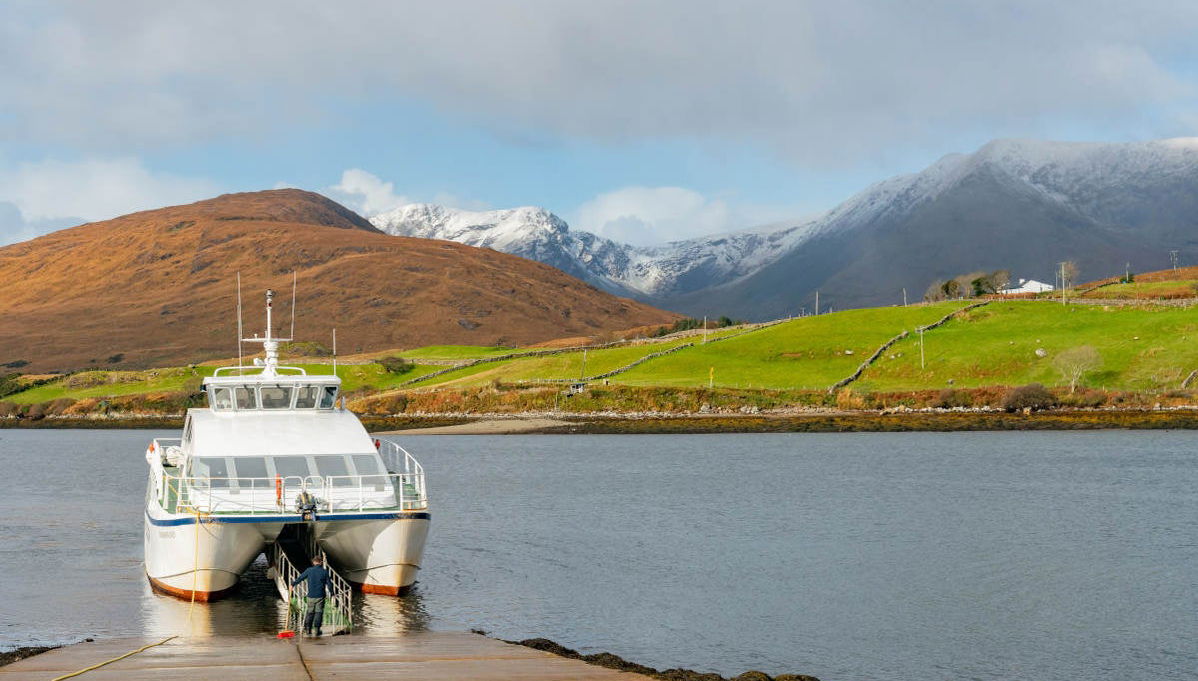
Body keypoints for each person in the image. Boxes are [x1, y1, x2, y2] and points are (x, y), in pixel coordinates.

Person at [291, 556, 332, 636]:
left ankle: (308, 629)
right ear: (321, 562)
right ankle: (317, 630)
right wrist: (332, 593)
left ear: (313, 562)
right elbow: (329, 584)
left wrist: (293, 584)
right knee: (319, 612)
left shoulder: (309, 570)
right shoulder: (324, 572)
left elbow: (300, 578)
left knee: (310, 612)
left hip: (311, 596)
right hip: (320, 596)